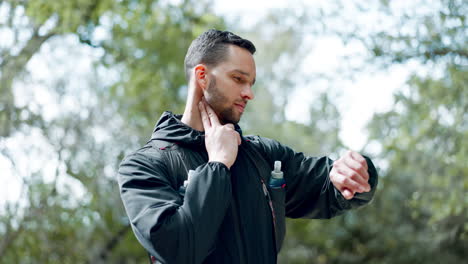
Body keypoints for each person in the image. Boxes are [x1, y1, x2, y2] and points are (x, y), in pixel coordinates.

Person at [117, 29, 378, 264]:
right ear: (202, 76)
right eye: (239, 79)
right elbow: (180, 249)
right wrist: (217, 165)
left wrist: (356, 171)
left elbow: (326, 186)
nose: (249, 93)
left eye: (251, 83)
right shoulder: (143, 167)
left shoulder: (261, 155)